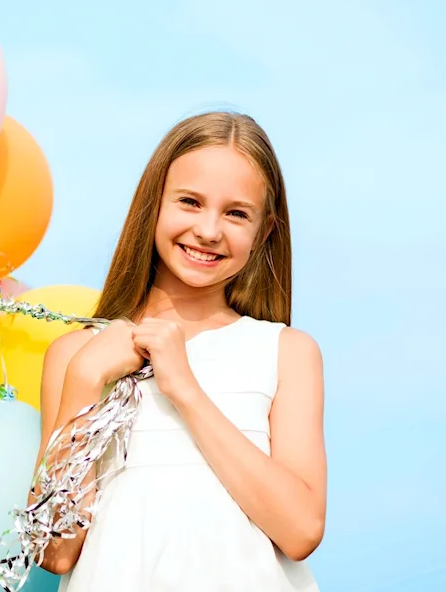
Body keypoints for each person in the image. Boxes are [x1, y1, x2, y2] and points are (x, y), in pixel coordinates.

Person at [34, 111, 326, 591]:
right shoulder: (78, 356)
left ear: (265, 232)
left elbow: (300, 530)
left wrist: (185, 388)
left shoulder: (285, 352)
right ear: (154, 205)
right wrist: (85, 380)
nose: (209, 230)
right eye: (189, 202)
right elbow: (55, 550)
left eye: (236, 213)